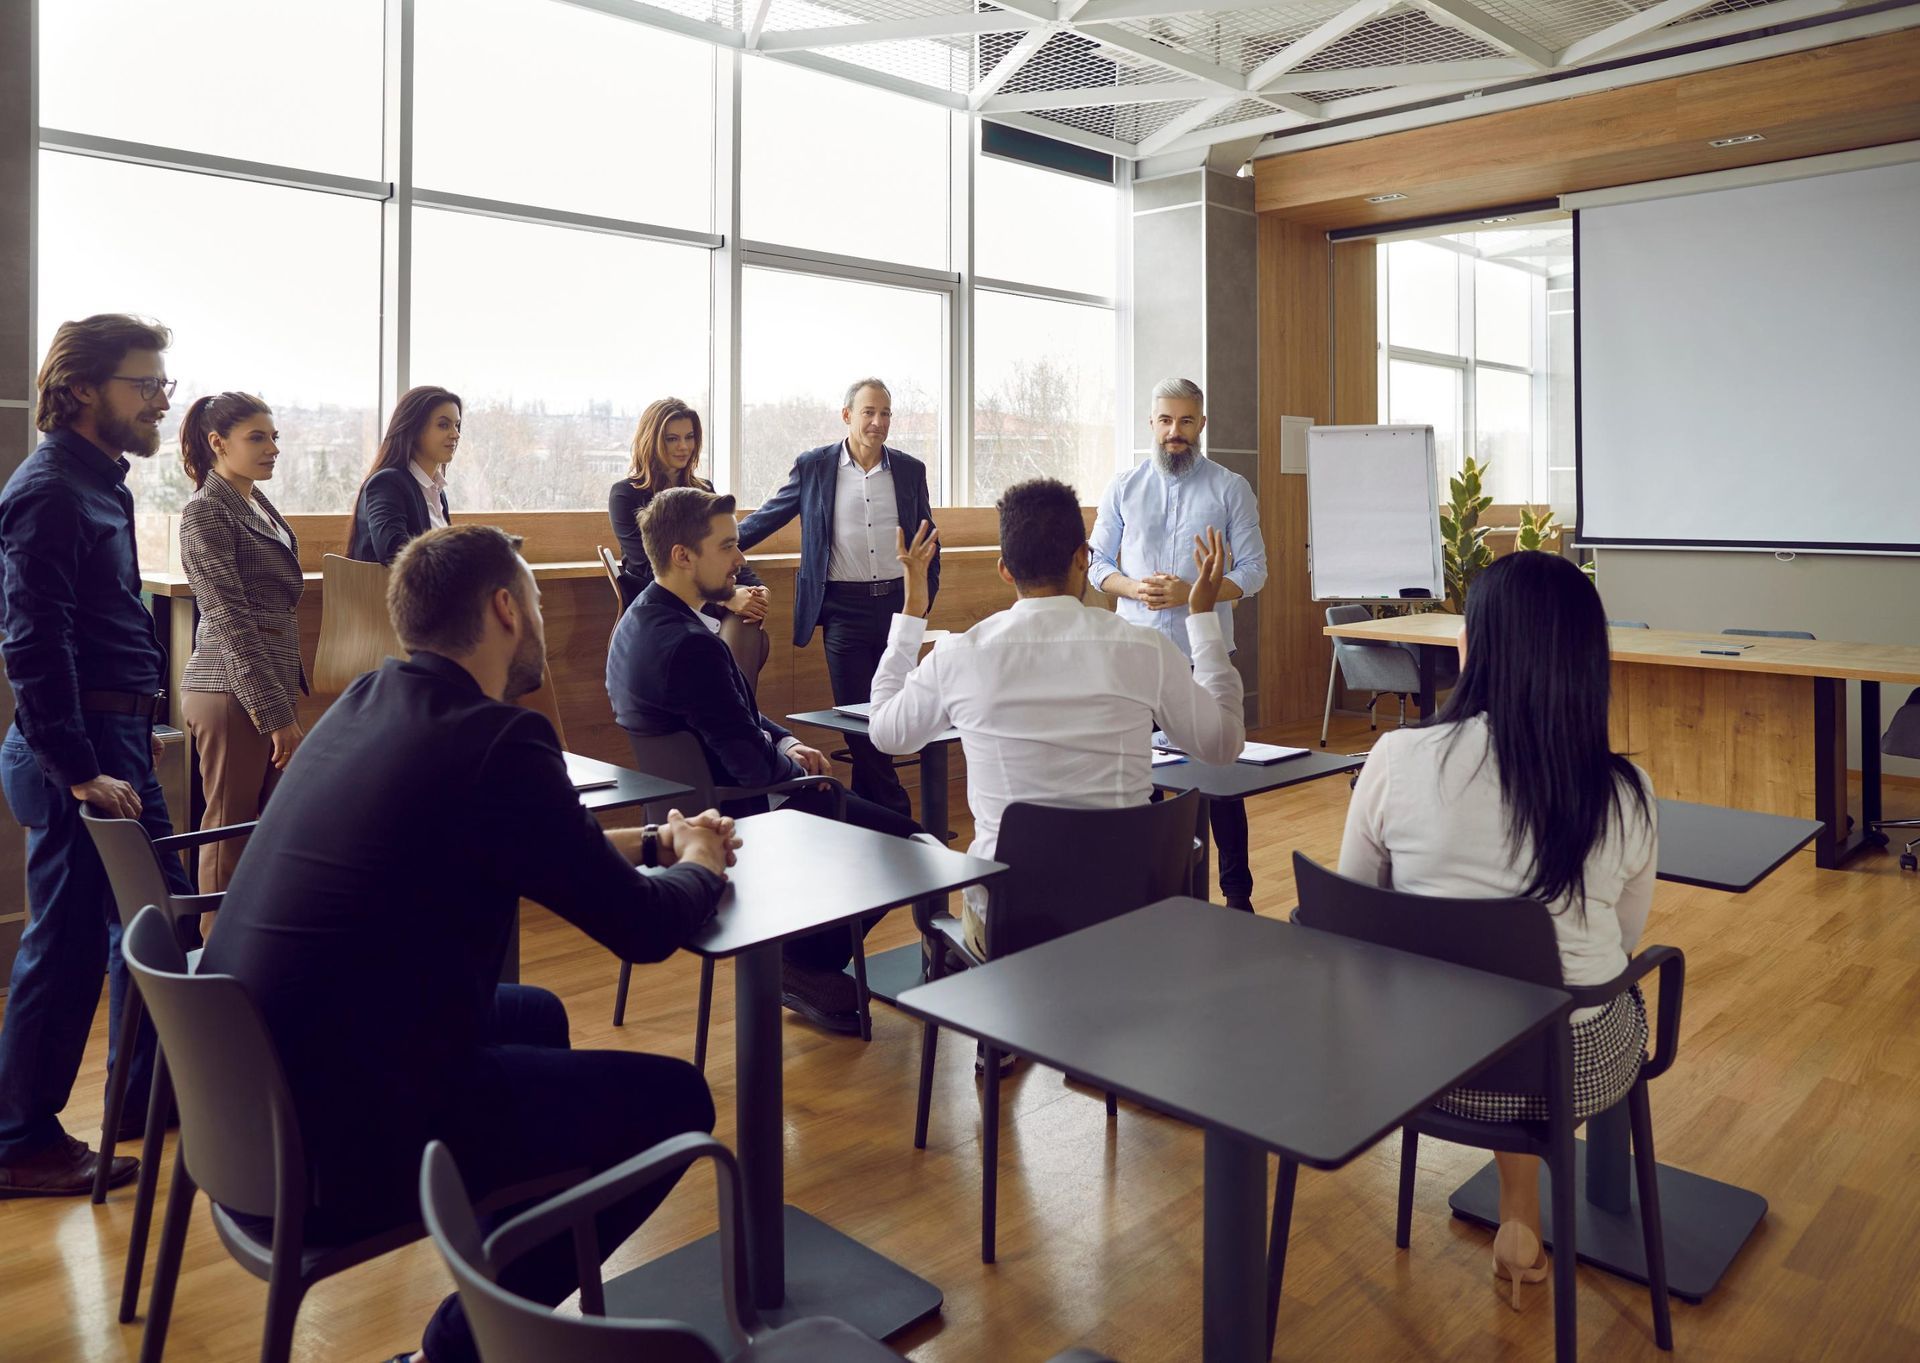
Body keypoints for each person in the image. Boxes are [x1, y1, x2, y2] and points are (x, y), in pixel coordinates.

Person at [198, 524, 737, 1363]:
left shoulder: (368, 701)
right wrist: (701, 861)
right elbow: (640, 928)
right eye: (531, 598)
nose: (540, 620)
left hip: (245, 1109)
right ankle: (459, 1345)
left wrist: (648, 845)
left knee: (537, 1013)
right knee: (677, 1103)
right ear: (503, 609)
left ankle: (502, 1293)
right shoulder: (501, 740)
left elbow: (513, 844)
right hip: (335, 1150)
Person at [1336, 549, 1657, 1308]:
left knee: (1494, 999)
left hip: (1424, 1062)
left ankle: (1520, 1212)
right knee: (1564, 997)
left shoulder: (1395, 758)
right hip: (1572, 1071)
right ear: (1586, 663)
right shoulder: (1626, 793)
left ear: (1470, 650)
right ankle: (1522, 1215)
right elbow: (1622, 941)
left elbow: (1349, 913)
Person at [870, 478, 1245, 961]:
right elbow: (1223, 746)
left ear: (1005, 570)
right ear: (1083, 557)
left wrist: (911, 613)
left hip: (1010, 926)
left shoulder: (959, 654)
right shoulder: (1144, 647)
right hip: (1130, 914)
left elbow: (884, 733)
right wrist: (1203, 618)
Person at [607, 486, 921, 1036]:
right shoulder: (691, 647)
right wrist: (803, 773)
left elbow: (735, 715)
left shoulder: (640, 620)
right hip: (741, 815)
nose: (740, 559)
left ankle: (798, 956)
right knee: (911, 846)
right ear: (683, 555)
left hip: (696, 803)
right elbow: (750, 768)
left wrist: (782, 742)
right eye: (727, 546)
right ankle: (802, 960)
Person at [0, 314, 193, 1196]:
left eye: (163, 382)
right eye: (145, 383)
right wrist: (79, 769)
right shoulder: (48, 490)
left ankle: (146, 1098)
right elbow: (35, 644)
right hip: (82, 750)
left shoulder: (101, 482)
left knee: (153, 921)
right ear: (82, 390)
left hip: (115, 739)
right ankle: (21, 1142)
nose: (162, 398)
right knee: (71, 942)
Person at [1089, 377, 1266, 911]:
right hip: (1135, 658)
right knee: (1137, 779)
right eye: (1166, 421)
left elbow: (1255, 570)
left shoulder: (1231, 488)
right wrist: (1132, 588)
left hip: (1201, 655)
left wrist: (1197, 594)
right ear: (1151, 424)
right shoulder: (1122, 487)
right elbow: (1097, 563)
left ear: (1202, 425)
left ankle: (1238, 898)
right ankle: (1150, 898)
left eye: (1186, 422)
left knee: (1220, 775)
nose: (1175, 433)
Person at [735, 378, 937, 820]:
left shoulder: (909, 470)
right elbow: (769, 516)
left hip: (896, 609)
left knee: (890, 715)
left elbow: (928, 538)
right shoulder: (815, 466)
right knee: (858, 722)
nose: (878, 422)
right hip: (842, 610)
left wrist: (923, 601)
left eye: (885, 413)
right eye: (869, 412)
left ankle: (868, 821)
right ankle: (898, 818)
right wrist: (716, 544)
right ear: (847, 415)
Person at [176, 392, 306, 925]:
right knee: (227, 828)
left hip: (267, 688)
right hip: (230, 692)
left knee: (276, 829)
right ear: (217, 443)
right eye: (258, 437)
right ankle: (215, 962)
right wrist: (273, 715)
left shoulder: (254, 502)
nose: (273, 447)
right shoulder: (204, 513)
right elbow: (228, 619)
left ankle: (262, 954)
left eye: (274, 436)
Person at [607, 396, 771, 688]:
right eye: (672, 439)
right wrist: (727, 597)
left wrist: (757, 591)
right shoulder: (625, 494)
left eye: (689, 437)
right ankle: (737, 720)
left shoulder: (703, 490)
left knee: (747, 619)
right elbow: (651, 567)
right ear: (651, 440)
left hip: (707, 604)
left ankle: (736, 716)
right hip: (661, 607)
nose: (683, 446)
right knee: (738, 616)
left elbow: (727, 550)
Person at [347, 385, 461, 566]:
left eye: (456, 425)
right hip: (387, 593)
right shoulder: (387, 483)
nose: (455, 434)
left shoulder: (437, 491)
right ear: (414, 429)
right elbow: (393, 550)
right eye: (443, 425)